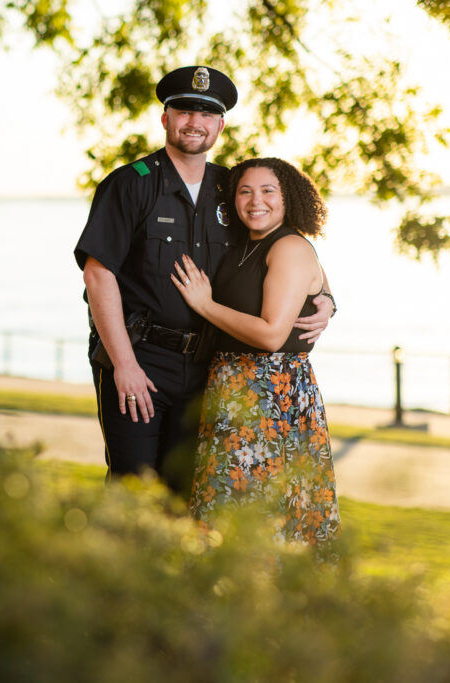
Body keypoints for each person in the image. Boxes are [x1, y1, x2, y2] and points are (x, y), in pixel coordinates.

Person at [73, 65, 334, 495]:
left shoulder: (231, 188)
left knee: (188, 494)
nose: (195, 122)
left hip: (207, 369)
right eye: (184, 111)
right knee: (134, 488)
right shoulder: (130, 185)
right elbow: (98, 276)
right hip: (141, 358)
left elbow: (283, 246)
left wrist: (325, 295)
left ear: (220, 125)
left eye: (206, 114)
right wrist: (124, 365)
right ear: (165, 118)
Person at [171, 157, 340, 546]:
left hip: (271, 398)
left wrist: (205, 305)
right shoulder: (246, 245)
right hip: (233, 392)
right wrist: (328, 297)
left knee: (260, 509)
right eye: (244, 191)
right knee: (227, 504)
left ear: (289, 199)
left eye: (268, 191)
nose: (255, 201)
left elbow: (270, 336)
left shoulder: (289, 247)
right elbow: (315, 281)